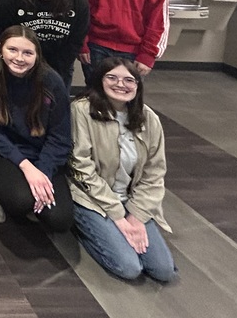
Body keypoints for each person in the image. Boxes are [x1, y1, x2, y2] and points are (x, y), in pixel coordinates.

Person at [68, 58, 177, 282]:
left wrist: (137, 216)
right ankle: (83, 227)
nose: (121, 84)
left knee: (163, 271)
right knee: (129, 268)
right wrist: (118, 216)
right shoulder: (81, 110)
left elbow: (154, 174)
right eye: (112, 78)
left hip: (130, 199)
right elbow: (80, 166)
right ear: (100, 81)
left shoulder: (149, 119)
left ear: (138, 86)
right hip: (92, 198)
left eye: (129, 80)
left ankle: (119, 231)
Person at [0, 25, 73, 232]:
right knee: (20, 202)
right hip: (2, 150)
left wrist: (43, 172)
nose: (19, 58)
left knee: (60, 219)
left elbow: (60, 137)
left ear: (37, 56)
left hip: (41, 153)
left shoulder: (52, 82)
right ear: (1, 50)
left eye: (27, 53)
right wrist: (26, 167)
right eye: (12, 50)